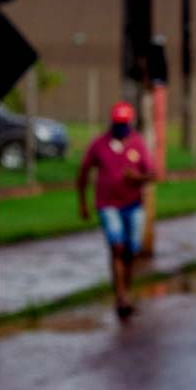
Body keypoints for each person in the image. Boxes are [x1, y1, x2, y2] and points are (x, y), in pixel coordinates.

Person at [77, 102, 154, 319]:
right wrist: (82, 203)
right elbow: (83, 172)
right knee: (117, 247)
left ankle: (125, 291)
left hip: (133, 205)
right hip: (108, 205)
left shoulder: (137, 144)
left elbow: (151, 173)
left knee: (131, 250)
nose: (120, 127)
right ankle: (120, 296)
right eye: (117, 123)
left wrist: (137, 178)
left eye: (124, 123)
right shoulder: (99, 144)